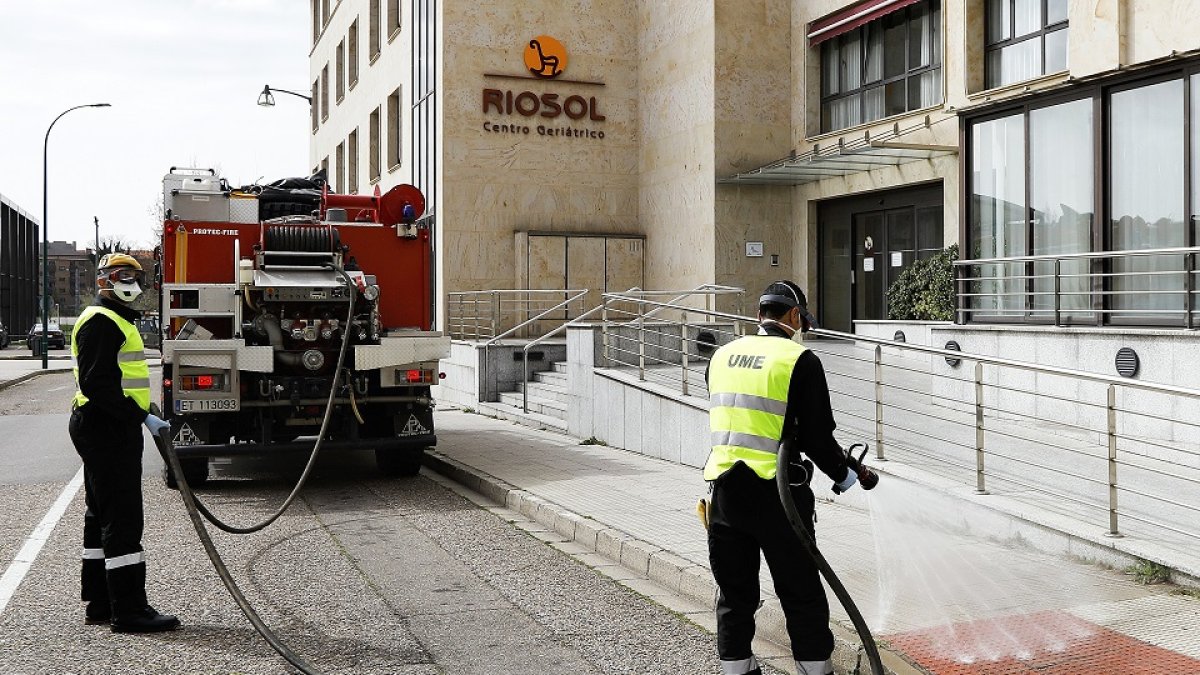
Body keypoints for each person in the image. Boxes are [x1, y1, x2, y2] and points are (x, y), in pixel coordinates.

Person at [704, 280, 864, 675]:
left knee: (734, 596)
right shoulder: (800, 359)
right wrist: (845, 476)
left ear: (759, 314)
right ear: (794, 316)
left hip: (724, 494)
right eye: (802, 321)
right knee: (801, 595)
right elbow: (817, 438)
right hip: (780, 498)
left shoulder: (722, 355)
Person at [69, 253, 180, 633]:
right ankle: (130, 610)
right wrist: (140, 416)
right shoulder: (102, 322)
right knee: (123, 518)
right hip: (108, 428)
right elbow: (96, 384)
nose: (131, 283)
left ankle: (101, 602)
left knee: (101, 515)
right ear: (104, 280)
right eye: (122, 275)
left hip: (105, 425)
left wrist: (138, 415)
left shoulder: (114, 319)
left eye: (135, 276)